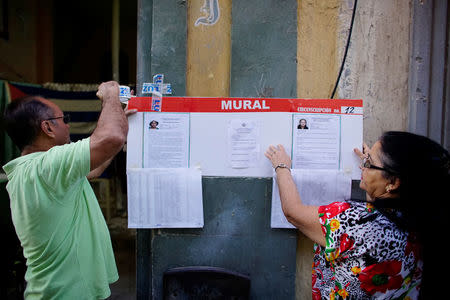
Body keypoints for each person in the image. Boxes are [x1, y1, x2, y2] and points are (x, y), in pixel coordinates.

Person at [265, 131, 449, 299]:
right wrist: (376, 173)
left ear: (393, 182)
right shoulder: (423, 216)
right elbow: (380, 203)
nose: (363, 166)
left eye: (369, 163)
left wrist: (282, 167)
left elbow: (293, 212)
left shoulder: (355, 220)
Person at [2, 81, 134, 299]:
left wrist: (120, 127)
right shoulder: (47, 165)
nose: (68, 125)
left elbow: (94, 169)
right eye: (64, 119)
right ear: (48, 128)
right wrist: (111, 95)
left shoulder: (40, 169)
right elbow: (110, 138)